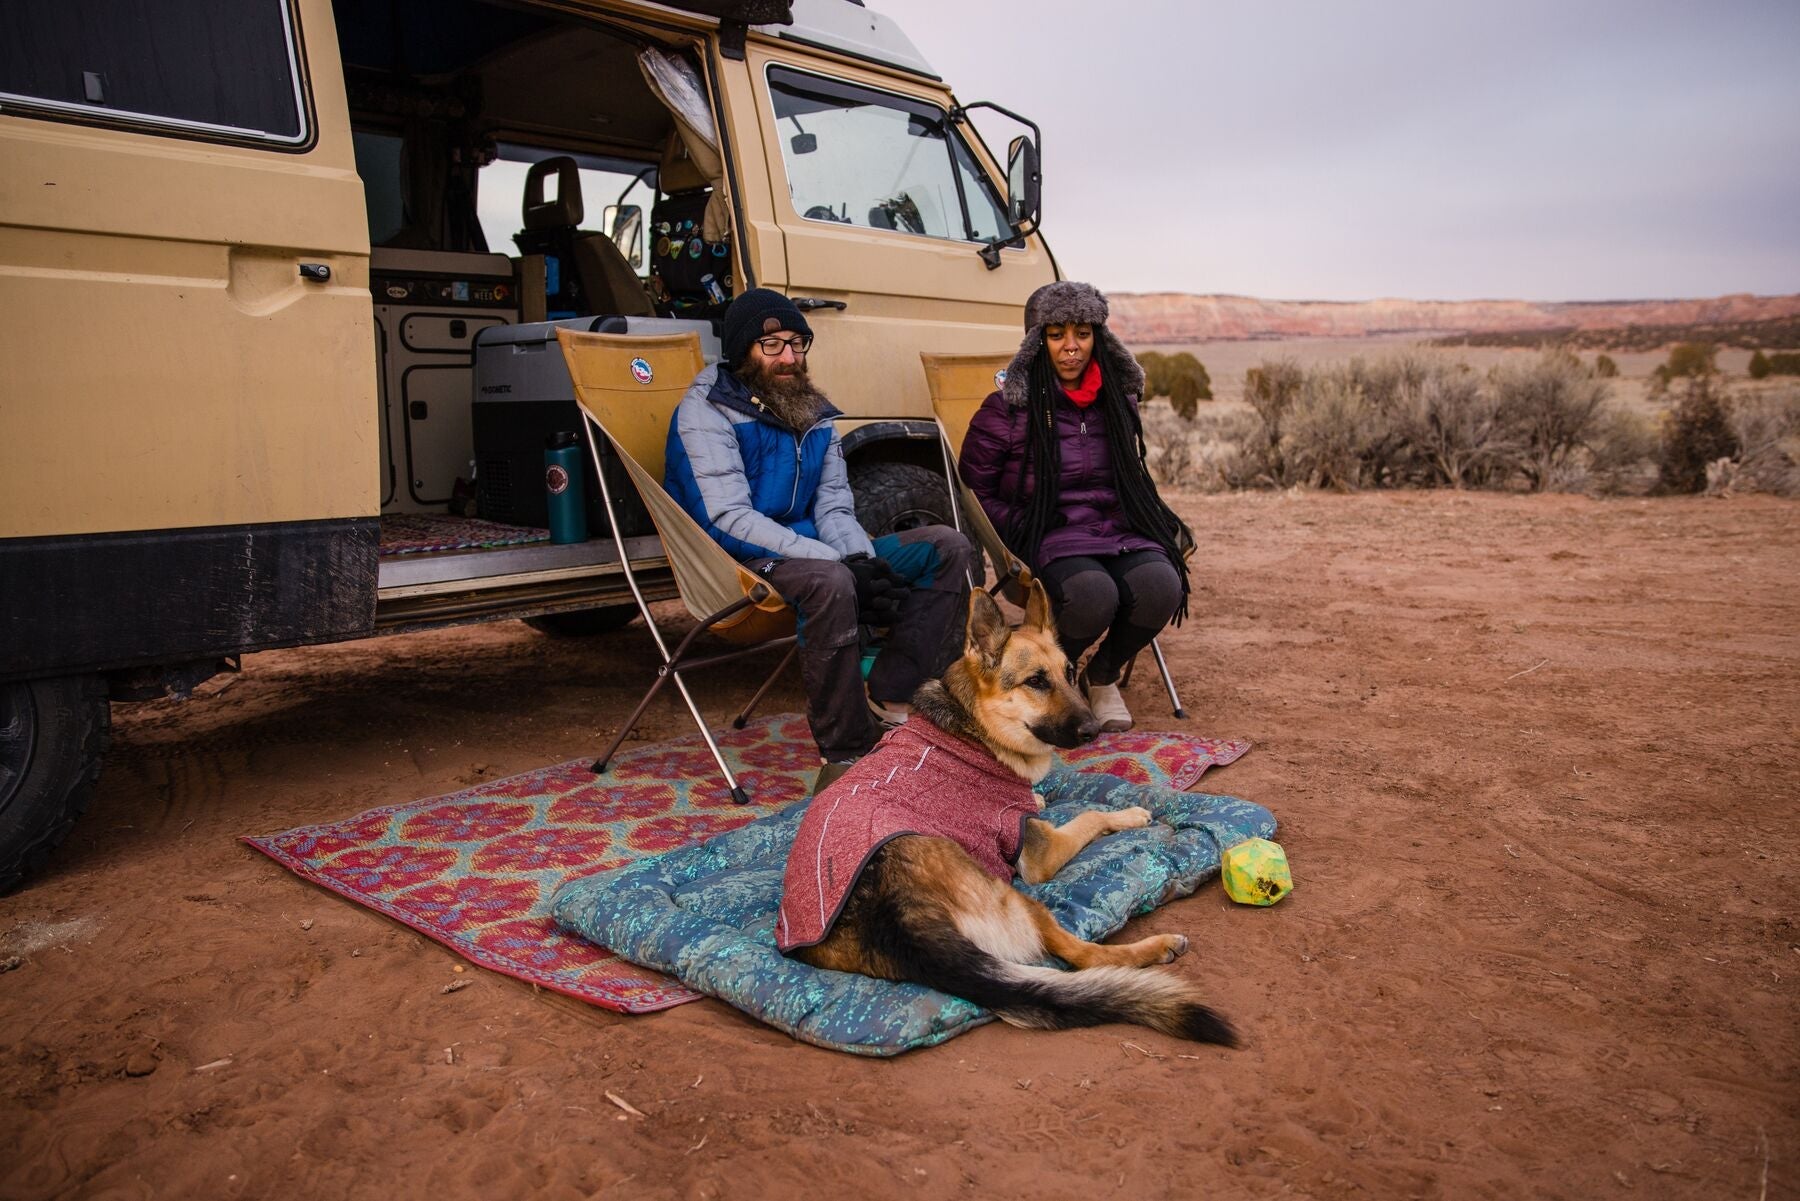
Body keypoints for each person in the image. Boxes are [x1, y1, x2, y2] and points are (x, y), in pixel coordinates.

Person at [664, 288, 973, 788]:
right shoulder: (707, 413)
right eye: (772, 345)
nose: (789, 357)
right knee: (831, 582)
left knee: (947, 546)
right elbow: (726, 517)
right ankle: (845, 755)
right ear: (741, 350)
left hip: (815, 555)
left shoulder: (812, 411)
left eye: (797, 343)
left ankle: (892, 694)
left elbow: (833, 505)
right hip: (739, 562)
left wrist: (861, 560)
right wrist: (838, 563)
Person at [957, 281, 1193, 733]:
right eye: (1056, 334)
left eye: (1082, 334)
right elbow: (976, 488)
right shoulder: (1007, 409)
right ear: (1036, 342)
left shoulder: (1117, 401)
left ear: (1098, 338)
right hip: (1050, 532)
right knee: (1092, 596)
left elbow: (1131, 476)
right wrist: (1021, 525)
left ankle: (1100, 676)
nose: (1071, 347)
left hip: (1117, 528)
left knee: (1162, 585)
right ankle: (1055, 678)